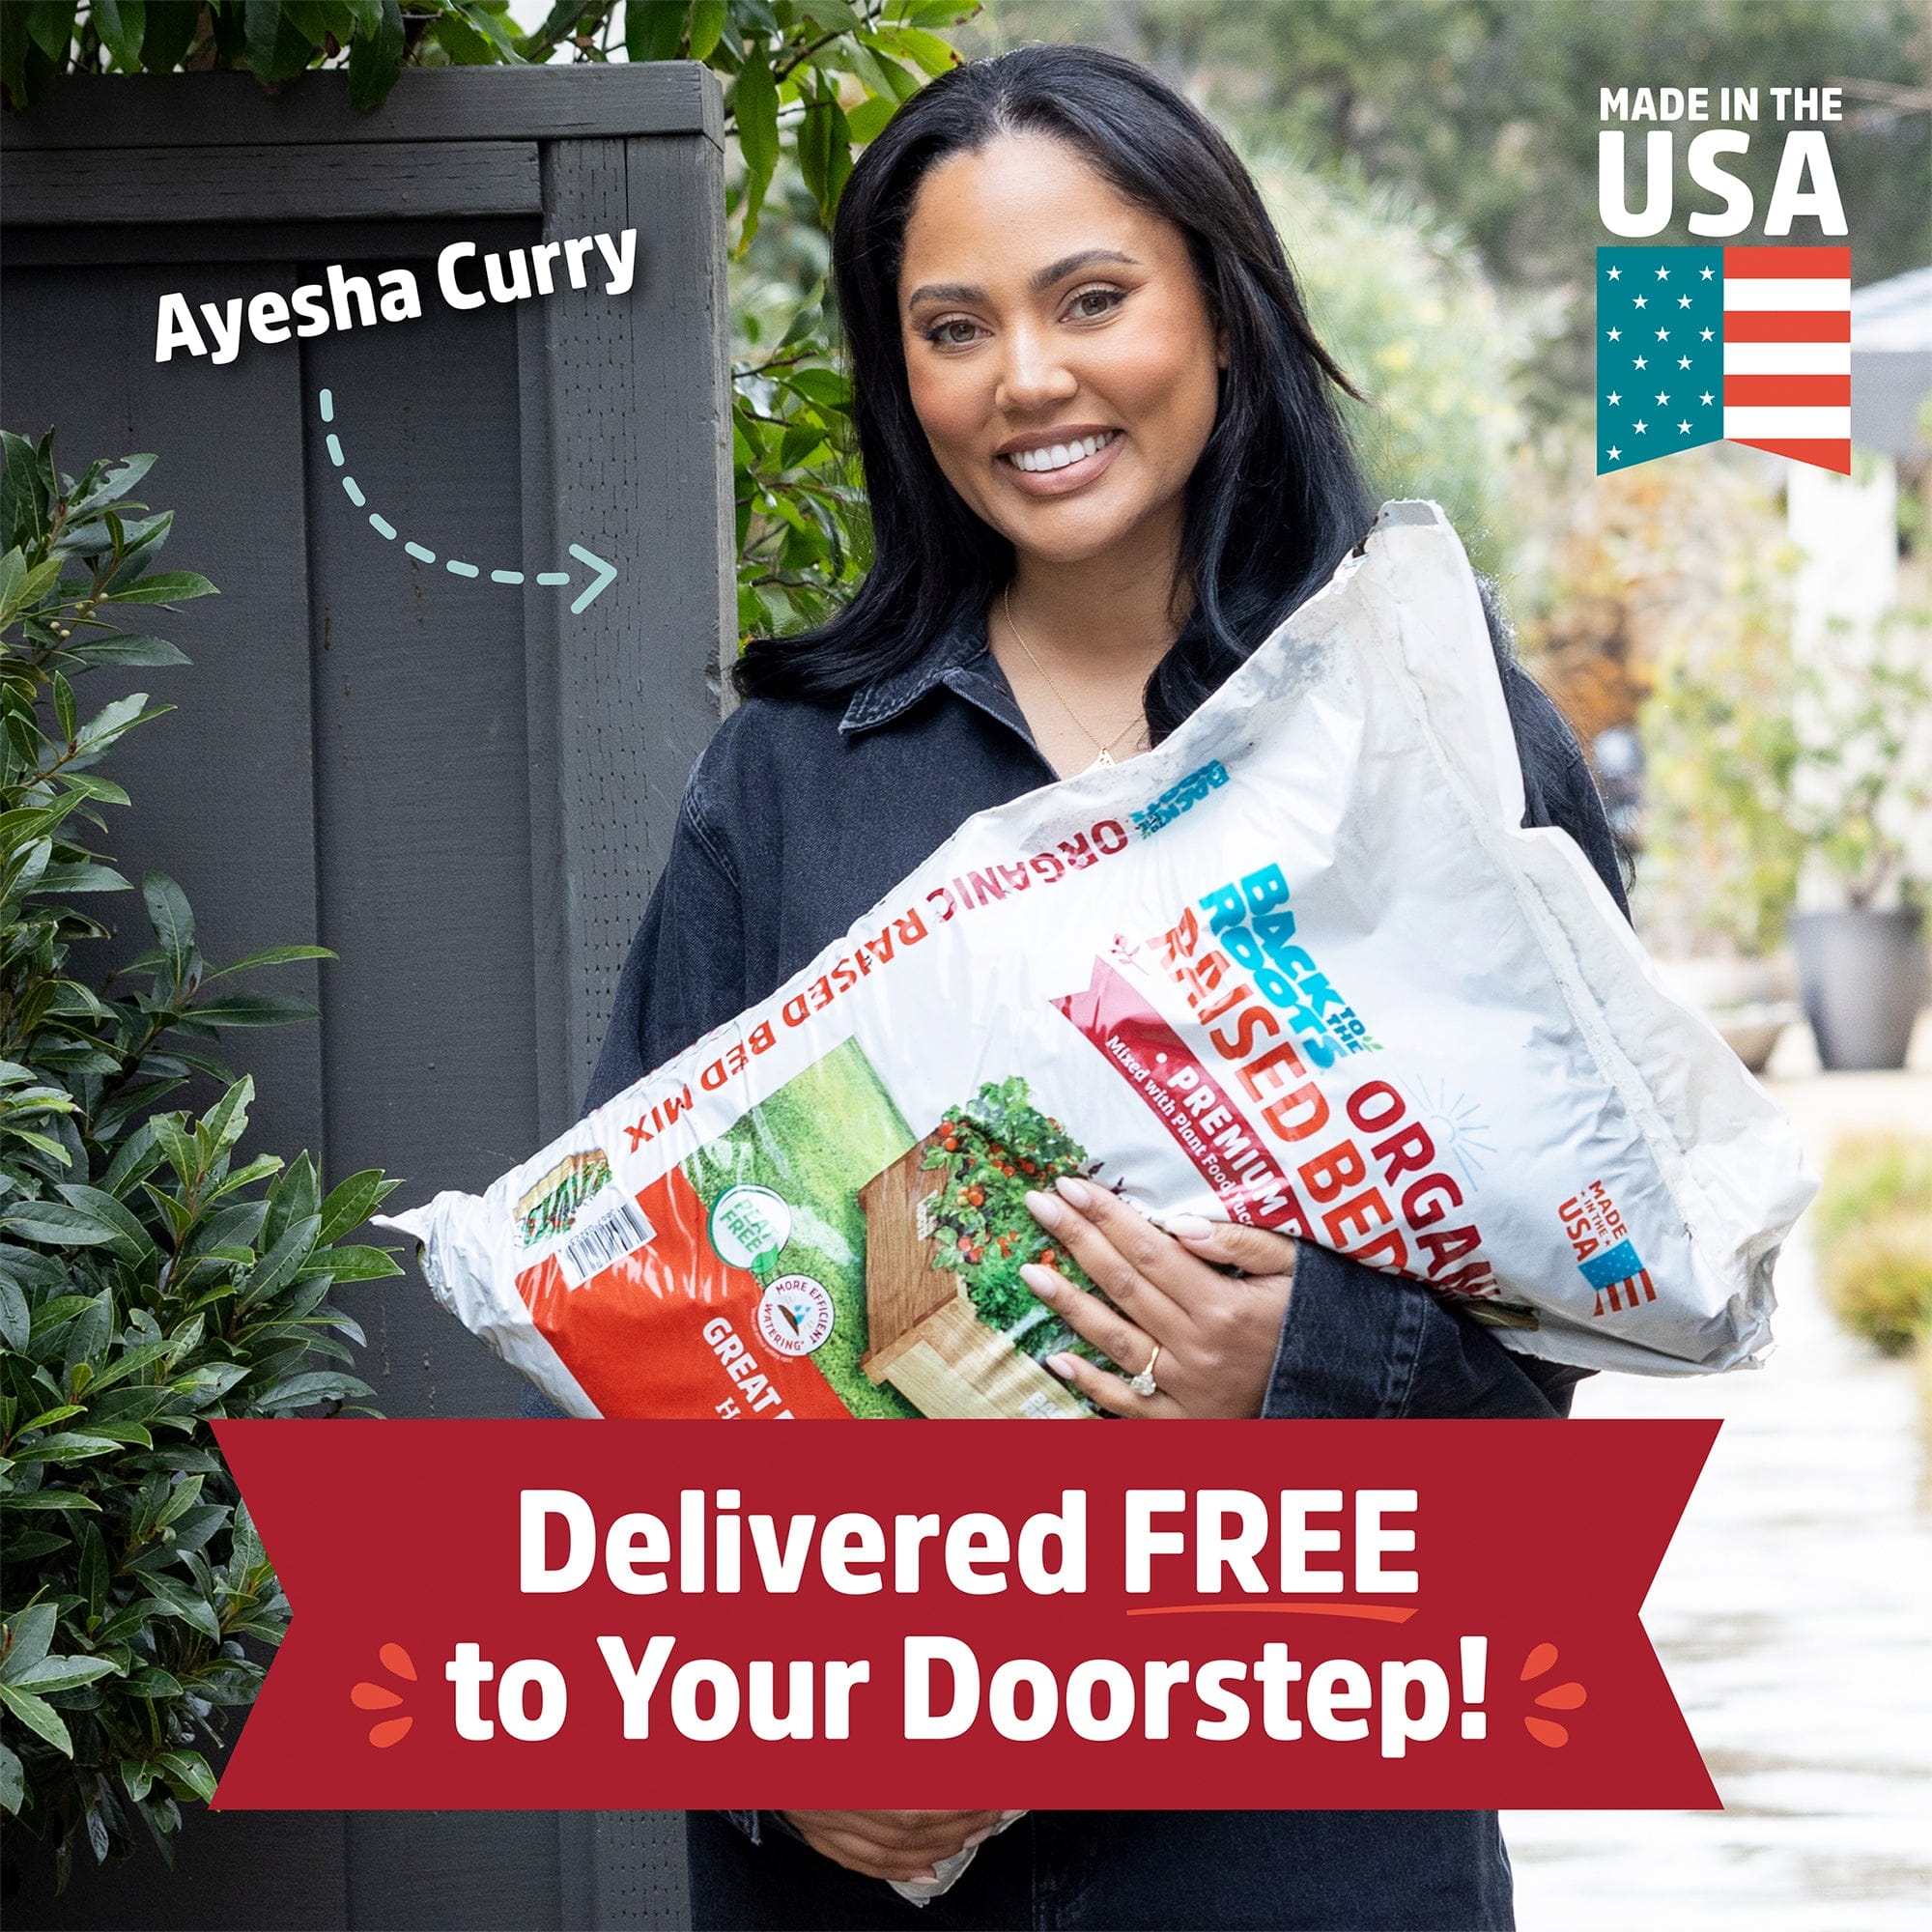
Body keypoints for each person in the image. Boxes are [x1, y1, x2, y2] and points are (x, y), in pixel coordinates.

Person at [581, 42, 1627, 1932]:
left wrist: (1297, 1363)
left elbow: (1597, 1319)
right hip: (878, 1864)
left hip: (1306, 1842)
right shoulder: (789, 779)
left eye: (1089, 298)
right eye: (953, 325)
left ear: (1220, 307)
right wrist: (767, 1750)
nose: (1027, 379)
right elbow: (624, 1319)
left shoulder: (1443, 750)